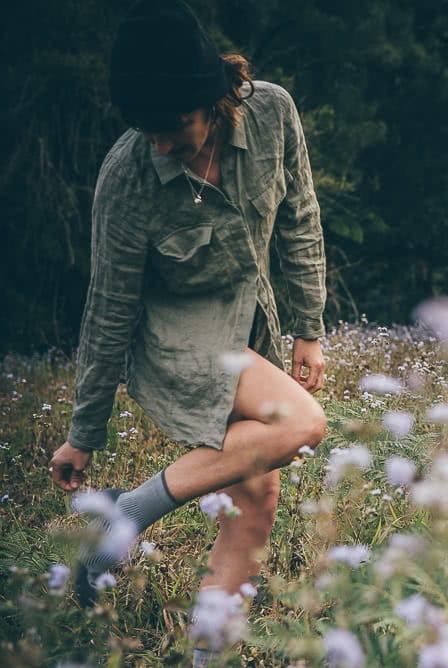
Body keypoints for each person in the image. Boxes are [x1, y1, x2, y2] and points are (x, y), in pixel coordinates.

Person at [45, 0, 328, 663]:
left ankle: (208, 652)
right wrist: (84, 432)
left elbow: (300, 217)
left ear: (216, 99)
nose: (161, 144)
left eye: (173, 127)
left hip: (247, 325)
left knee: (255, 498)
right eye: (147, 132)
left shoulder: (274, 113)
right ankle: (128, 512)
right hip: (173, 342)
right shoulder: (128, 175)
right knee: (299, 425)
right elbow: (108, 304)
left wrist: (307, 329)